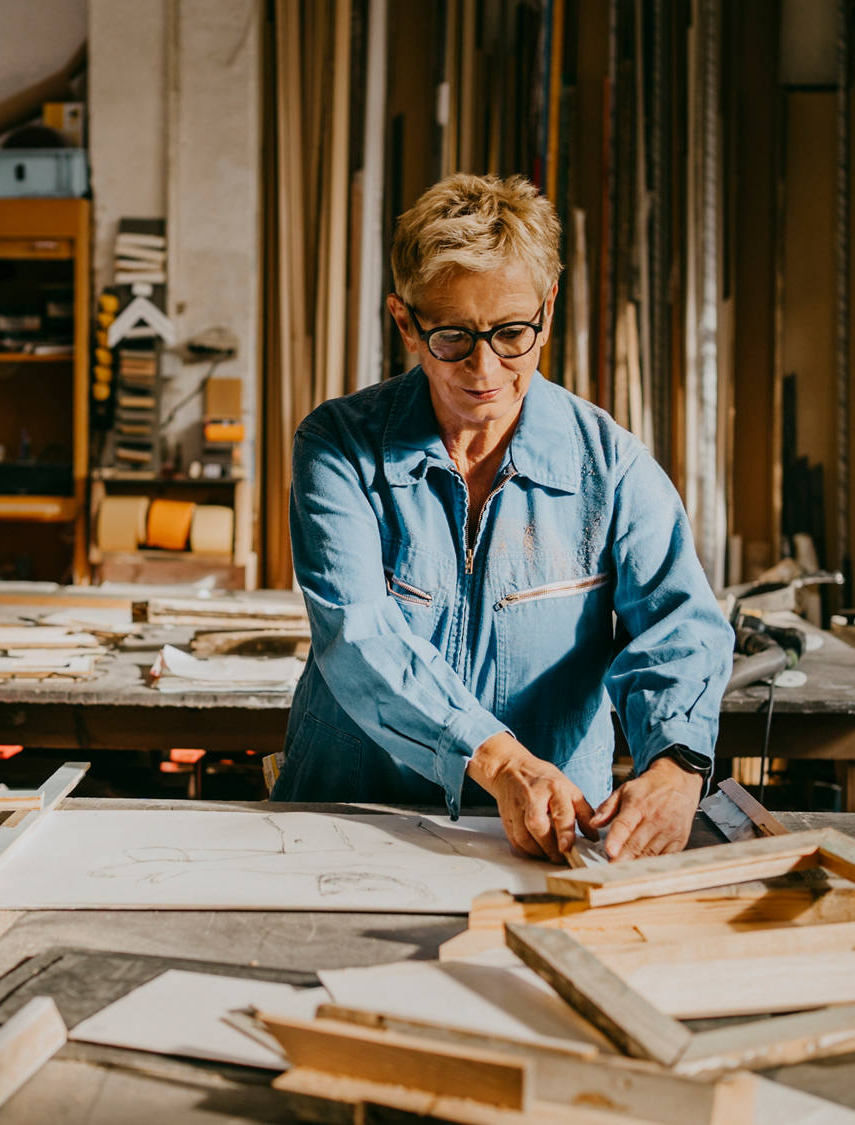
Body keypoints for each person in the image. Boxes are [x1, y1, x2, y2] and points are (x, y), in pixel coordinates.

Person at [273, 173, 733, 864]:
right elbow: (358, 636)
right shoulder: (340, 447)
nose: (485, 369)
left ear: (548, 307)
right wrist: (499, 760)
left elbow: (680, 628)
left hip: (549, 840)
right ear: (405, 322)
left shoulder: (609, 466)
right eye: (453, 337)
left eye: (513, 333)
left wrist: (676, 765)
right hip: (352, 821)